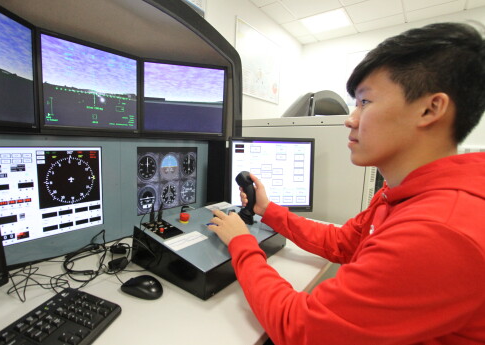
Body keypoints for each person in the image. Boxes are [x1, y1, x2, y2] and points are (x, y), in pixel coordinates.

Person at [208, 22, 485, 345]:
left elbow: (299, 327)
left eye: (365, 102)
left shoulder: (439, 230)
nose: (350, 119)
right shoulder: (402, 193)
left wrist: (242, 244)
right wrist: (268, 210)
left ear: (430, 108)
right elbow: (344, 243)